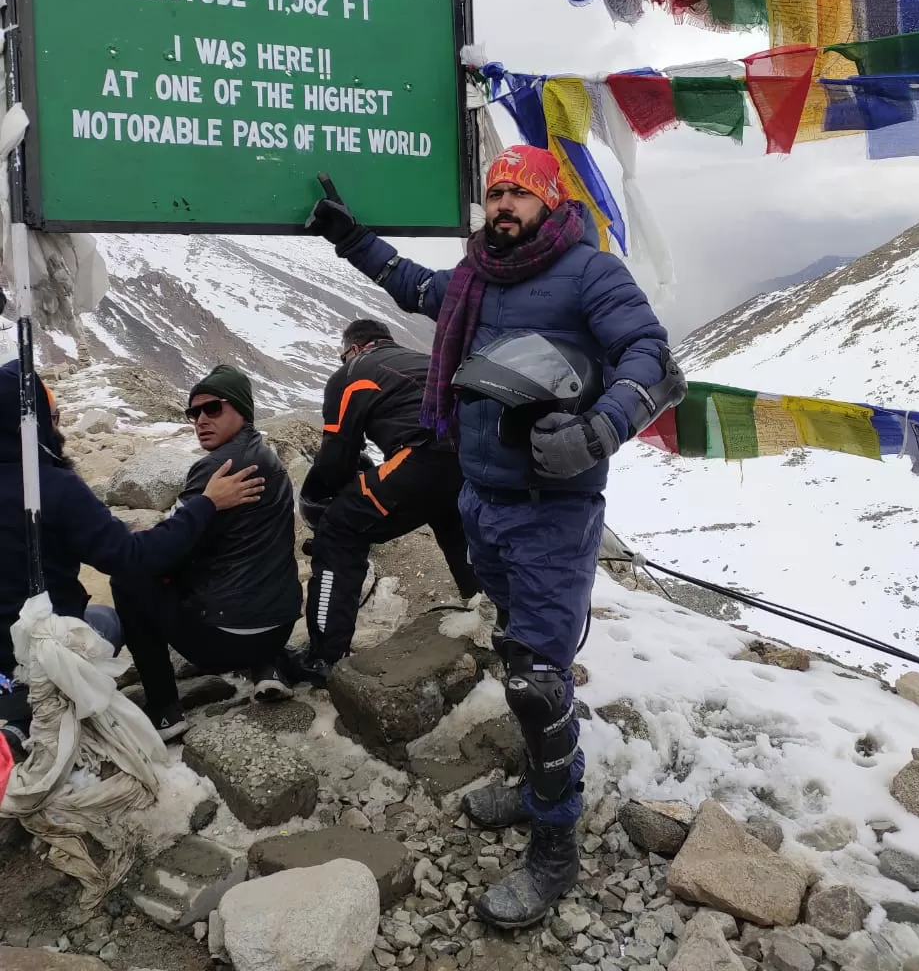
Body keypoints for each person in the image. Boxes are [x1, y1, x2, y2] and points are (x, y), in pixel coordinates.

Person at [306, 144, 684, 928]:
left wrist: (597, 431)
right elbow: (413, 286)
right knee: (517, 654)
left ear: (550, 201)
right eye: (494, 193)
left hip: (553, 510)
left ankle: (555, 848)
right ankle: (546, 782)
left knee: (540, 681)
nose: (503, 204)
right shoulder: (478, 278)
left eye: (519, 192)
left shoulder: (589, 273)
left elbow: (654, 360)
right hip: (482, 499)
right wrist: (351, 240)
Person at [0, 361, 264, 756]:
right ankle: (34, 716)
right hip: (34, 655)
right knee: (109, 613)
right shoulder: (51, 489)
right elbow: (131, 559)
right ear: (33, 422)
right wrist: (207, 504)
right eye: (53, 416)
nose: (60, 426)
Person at [111, 365, 302, 739]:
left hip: (226, 640)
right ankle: (269, 666)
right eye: (193, 412)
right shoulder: (268, 457)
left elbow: (166, 555)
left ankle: (165, 711)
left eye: (213, 409)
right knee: (251, 559)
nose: (200, 420)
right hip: (278, 627)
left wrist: (151, 539)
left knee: (128, 578)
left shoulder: (216, 468)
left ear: (242, 411)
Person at [292, 318, 479, 684]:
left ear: (355, 348)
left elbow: (336, 456)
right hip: (469, 463)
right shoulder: (421, 359)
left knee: (339, 530)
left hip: (422, 458)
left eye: (342, 355)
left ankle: (324, 658)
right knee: (450, 523)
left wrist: (320, 497)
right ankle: (484, 609)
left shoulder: (353, 372)